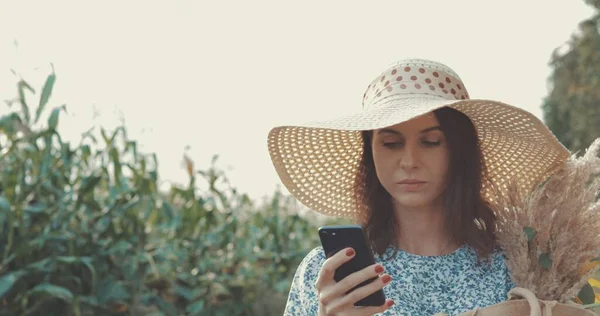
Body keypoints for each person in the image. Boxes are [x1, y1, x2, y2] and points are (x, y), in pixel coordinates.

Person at [266, 59, 570, 316]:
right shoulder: (327, 271)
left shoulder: (514, 265)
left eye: (431, 142)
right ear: (370, 155)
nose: (409, 161)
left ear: (459, 150)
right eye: (391, 143)